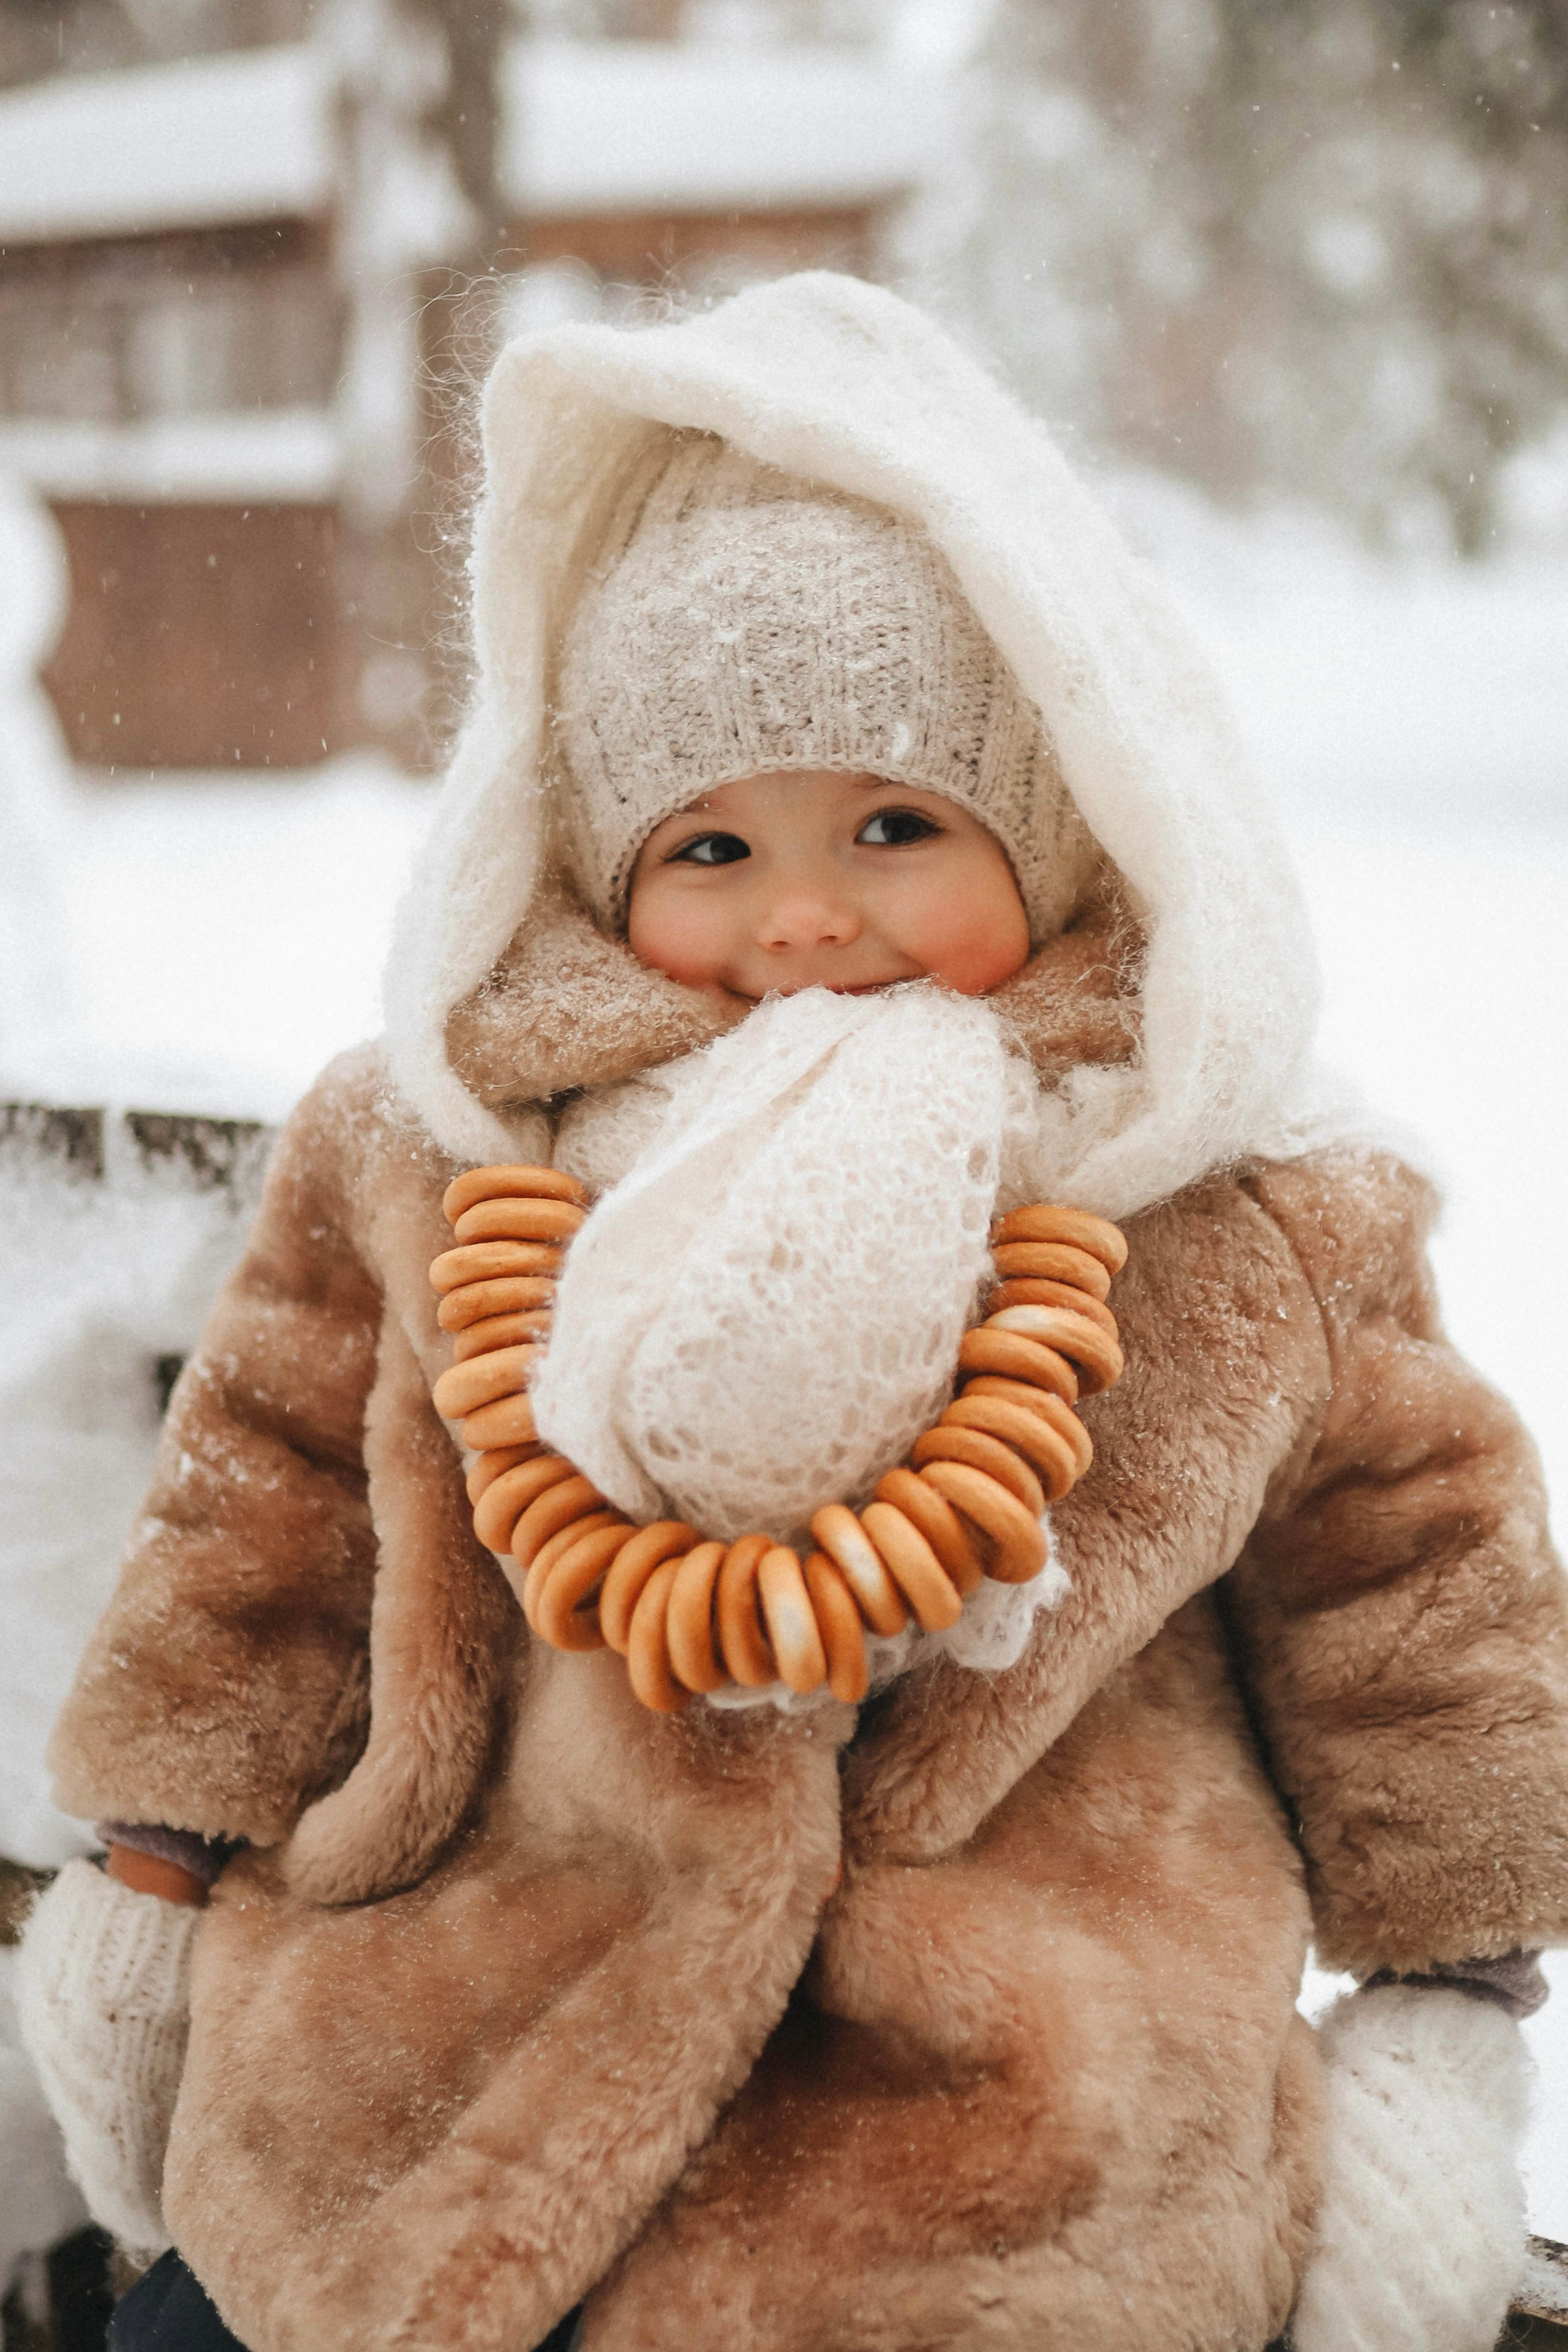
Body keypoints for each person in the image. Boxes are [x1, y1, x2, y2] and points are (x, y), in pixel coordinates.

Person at [17, 273, 1568, 2352]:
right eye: (714, 846)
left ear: (1066, 825)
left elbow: (1419, 1587)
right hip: (433, 2064)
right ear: (591, 861)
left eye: (900, 827)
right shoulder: (453, 1145)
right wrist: (155, 1868)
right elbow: (270, 1505)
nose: (807, 913)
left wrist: (1449, 1998)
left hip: (1027, 2129)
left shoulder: (1223, 1195)